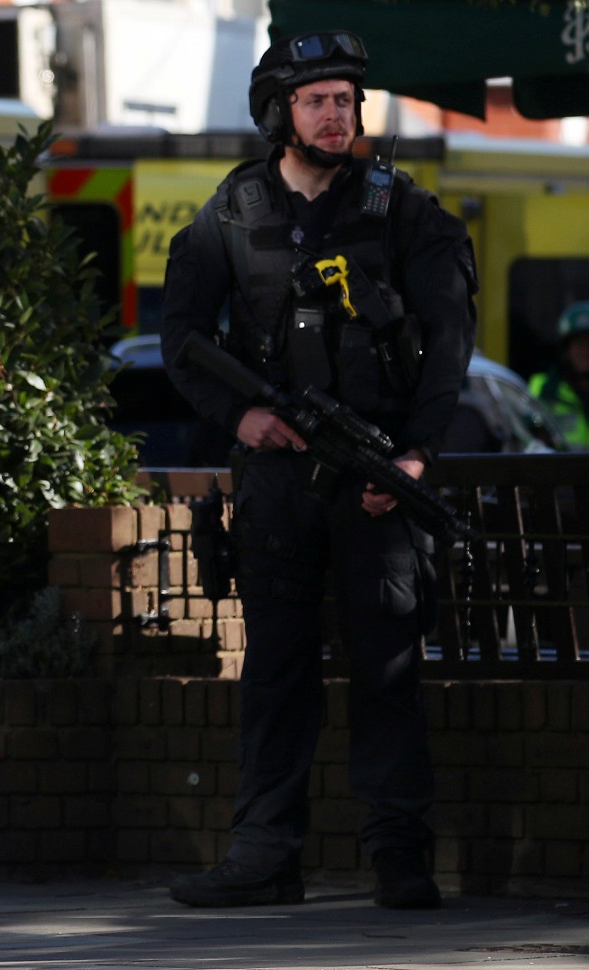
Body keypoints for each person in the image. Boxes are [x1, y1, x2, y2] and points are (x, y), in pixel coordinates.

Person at [160, 31, 477, 911]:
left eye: (344, 99)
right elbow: (181, 340)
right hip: (274, 487)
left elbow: (449, 348)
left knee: (386, 673)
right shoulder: (230, 213)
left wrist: (412, 454)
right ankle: (264, 856)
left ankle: (400, 859)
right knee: (276, 671)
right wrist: (245, 415)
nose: (336, 114)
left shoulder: (403, 212)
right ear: (280, 113)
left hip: (376, 481)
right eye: (317, 100)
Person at [528, 301, 589, 449]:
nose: (585, 351)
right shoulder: (543, 387)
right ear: (567, 349)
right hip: (559, 470)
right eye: (579, 344)